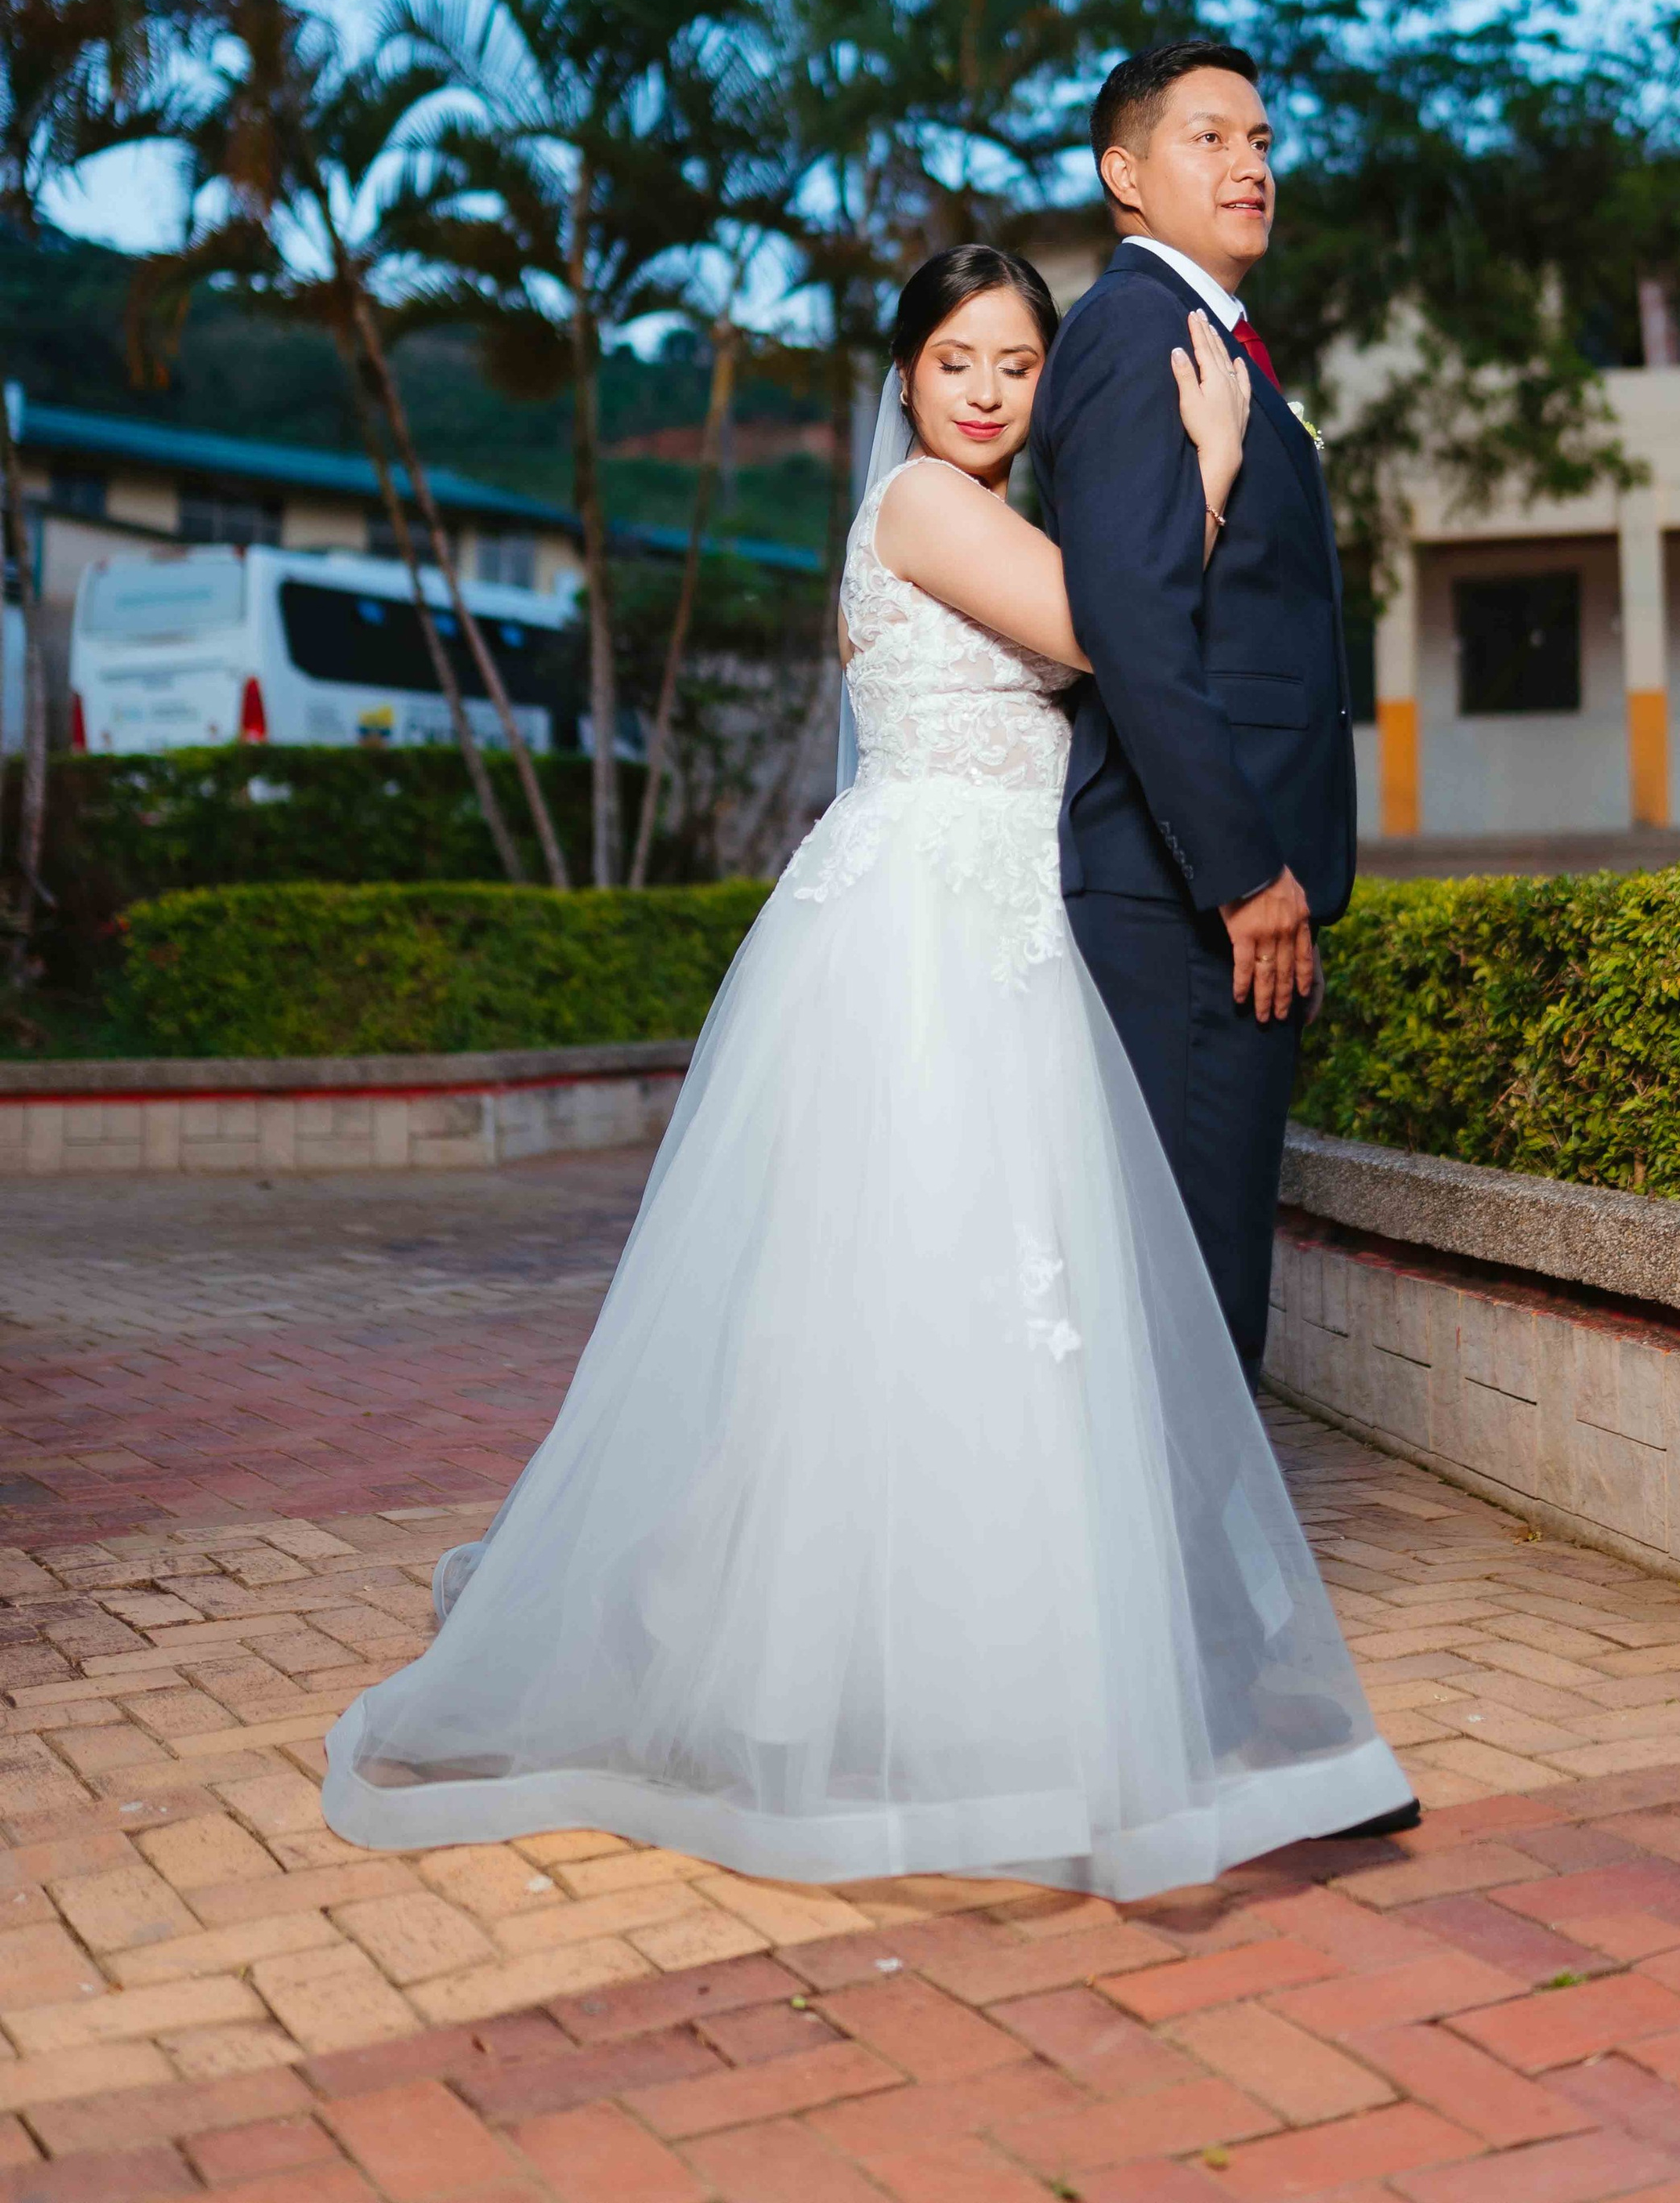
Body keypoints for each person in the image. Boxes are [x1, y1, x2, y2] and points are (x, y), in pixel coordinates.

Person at [322, 243, 1414, 1896]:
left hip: (992, 920)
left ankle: (990, 1644)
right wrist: (1202, 470)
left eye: (1015, 367)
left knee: (984, 1298)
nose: (984, 389)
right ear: (902, 375)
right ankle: (861, 1658)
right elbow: (1106, 625)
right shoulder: (922, 510)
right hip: (930, 934)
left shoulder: (971, 512)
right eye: (955, 358)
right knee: (927, 1283)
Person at [1032, 41, 1354, 1385]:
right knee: (1188, 1293)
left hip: (1218, 897)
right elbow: (1139, 629)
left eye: (1264, 141)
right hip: (1189, 905)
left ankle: (1181, 1592)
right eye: (1210, 139)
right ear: (1126, 173)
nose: (1252, 165)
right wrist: (1242, 872)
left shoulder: (1216, 341)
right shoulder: (1127, 333)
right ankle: (1174, 1599)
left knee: (1209, 1271)